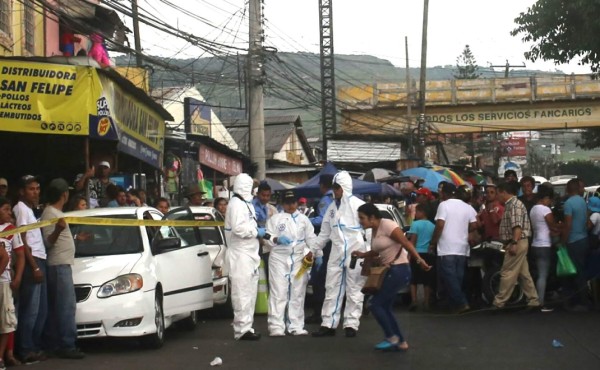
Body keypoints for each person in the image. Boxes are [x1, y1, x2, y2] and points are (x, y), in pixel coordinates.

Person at [352, 203, 430, 352]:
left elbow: (406, 243)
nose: (360, 221)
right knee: (385, 306)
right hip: (390, 270)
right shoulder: (374, 230)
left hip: (399, 270)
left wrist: (420, 260)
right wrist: (362, 254)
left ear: (372, 217)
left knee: (375, 304)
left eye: (362, 218)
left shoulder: (388, 225)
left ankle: (392, 337)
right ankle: (400, 341)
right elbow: (377, 252)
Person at [311, 171, 367, 338]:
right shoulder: (331, 208)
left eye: (337, 188)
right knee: (331, 288)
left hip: (355, 252)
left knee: (354, 289)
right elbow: (324, 233)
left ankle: (351, 324)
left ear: (344, 187)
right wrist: (313, 250)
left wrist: (370, 254)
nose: (334, 191)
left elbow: (369, 229)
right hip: (336, 252)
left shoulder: (358, 205)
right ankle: (328, 324)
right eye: (334, 188)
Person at [40, 179, 85, 359]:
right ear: (64, 195)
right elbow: (47, 242)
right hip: (58, 265)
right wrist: (58, 230)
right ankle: (67, 344)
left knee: (59, 306)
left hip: (62, 264)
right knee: (66, 306)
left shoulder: (56, 212)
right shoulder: (50, 213)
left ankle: (56, 342)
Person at [265, 191, 317, 336]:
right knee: (278, 292)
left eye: (293, 202)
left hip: (299, 259)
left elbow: (311, 238)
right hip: (279, 258)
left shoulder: (304, 220)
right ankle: (276, 326)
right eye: (288, 203)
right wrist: (276, 239)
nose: (291, 205)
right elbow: (267, 236)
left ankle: (296, 325)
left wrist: (316, 253)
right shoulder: (275, 219)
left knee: (298, 292)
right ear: (283, 204)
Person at [13, 175, 47, 363]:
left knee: (39, 310)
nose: (35, 192)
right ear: (22, 191)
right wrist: (33, 267)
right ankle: (25, 349)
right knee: (30, 310)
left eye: (37, 188)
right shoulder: (21, 209)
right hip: (31, 261)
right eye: (31, 189)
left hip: (39, 258)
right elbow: (22, 240)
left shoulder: (30, 210)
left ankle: (32, 346)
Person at [224, 174, 262, 341]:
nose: (254, 191)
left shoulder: (245, 204)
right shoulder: (237, 205)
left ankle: (247, 327)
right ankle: (241, 329)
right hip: (240, 254)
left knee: (250, 292)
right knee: (242, 293)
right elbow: (239, 229)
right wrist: (256, 232)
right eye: (252, 187)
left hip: (249, 254)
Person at [430, 182, 477, 313]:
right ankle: (454, 304)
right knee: (457, 277)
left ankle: (461, 302)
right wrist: (463, 230)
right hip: (462, 247)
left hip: (447, 247)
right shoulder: (467, 207)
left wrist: (433, 242)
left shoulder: (443, 205)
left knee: (450, 278)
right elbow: (474, 224)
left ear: (445, 193)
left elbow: (439, 225)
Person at [493, 181, 540, 310]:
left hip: (517, 241)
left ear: (503, 192)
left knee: (507, 272)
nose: (497, 196)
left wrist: (514, 243)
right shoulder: (513, 204)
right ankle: (533, 300)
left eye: (498, 193)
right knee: (524, 274)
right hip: (519, 241)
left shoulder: (514, 205)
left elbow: (517, 227)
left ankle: (499, 302)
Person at [0, 197, 25, 368]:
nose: (10, 213)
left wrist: (18, 277)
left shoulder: (11, 230)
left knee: (7, 320)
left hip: (5, 281)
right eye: (6, 209)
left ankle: (2, 356)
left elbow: (20, 255)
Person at [306, 174, 334, 324]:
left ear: (323, 185)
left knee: (319, 279)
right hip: (337, 243)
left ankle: (318, 313)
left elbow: (323, 221)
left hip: (326, 244)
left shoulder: (325, 200)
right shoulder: (339, 200)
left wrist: (305, 220)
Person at [561, 178, 591, 310]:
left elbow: (568, 224)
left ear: (567, 189)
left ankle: (580, 301)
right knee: (581, 270)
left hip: (573, 241)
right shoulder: (582, 201)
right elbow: (587, 220)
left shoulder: (568, 203)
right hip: (584, 239)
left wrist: (563, 241)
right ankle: (583, 299)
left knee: (573, 272)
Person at [529, 184, 559, 312]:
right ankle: (540, 302)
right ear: (546, 197)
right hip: (544, 244)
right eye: (550, 200)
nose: (550, 203)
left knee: (538, 274)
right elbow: (552, 226)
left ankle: (537, 299)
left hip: (535, 243)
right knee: (543, 275)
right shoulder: (545, 210)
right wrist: (560, 226)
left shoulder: (533, 209)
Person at [407, 203, 435, 311]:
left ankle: (414, 300)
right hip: (428, 254)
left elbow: (412, 241)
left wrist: (409, 255)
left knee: (413, 279)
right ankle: (426, 301)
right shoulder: (432, 225)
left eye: (417, 212)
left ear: (422, 212)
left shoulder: (415, 224)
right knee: (427, 280)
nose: (415, 214)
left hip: (416, 254)